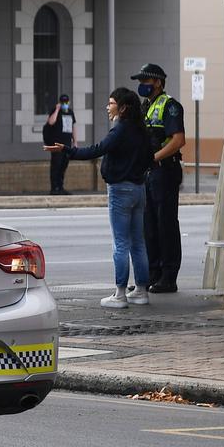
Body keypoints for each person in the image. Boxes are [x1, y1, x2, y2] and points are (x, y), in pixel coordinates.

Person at [44, 88, 150, 309]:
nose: (108, 107)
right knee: (138, 243)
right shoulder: (141, 130)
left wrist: (66, 150)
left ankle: (120, 294)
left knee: (121, 243)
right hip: (139, 189)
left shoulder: (120, 130)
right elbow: (149, 157)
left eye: (111, 103)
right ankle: (141, 291)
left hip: (120, 190)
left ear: (123, 107)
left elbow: (97, 150)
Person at [131, 63, 186, 293]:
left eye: (146, 81)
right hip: (148, 173)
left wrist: (154, 158)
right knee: (148, 226)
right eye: (140, 82)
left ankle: (168, 276)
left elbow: (178, 140)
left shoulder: (170, 105)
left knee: (165, 224)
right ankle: (153, 273)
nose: (142, 85)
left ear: (158, 83)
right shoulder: (145, 106)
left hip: (164, 170)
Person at [43, 94, 76, 194]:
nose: (65, 104)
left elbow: (73, 127)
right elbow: (51, 122)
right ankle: (54, 188)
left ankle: (60, 187)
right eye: (63, 102)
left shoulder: (70, 112)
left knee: (63, 165)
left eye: (66, 102)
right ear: (60, 103)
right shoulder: (56, 111)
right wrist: (57, 110)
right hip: (56, 144)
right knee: (56, 165)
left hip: (67, 144)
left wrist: (75, 141)